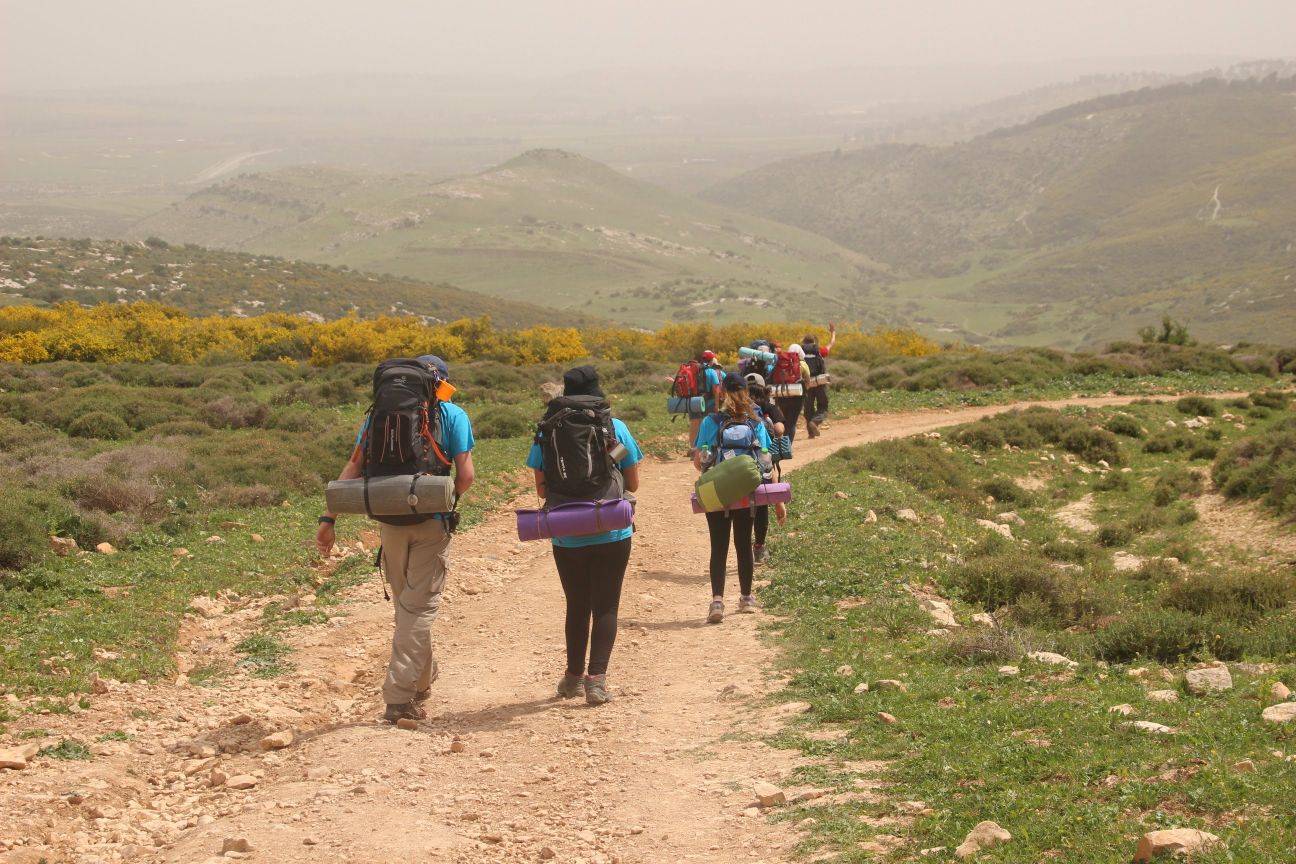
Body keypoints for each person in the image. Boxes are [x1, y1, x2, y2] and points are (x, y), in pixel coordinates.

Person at [316, 355, 475, 724]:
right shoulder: (453, 415)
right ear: (441, 384)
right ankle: (399, 698)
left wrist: (329, 518)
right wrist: (447, 501)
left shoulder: (378, 414)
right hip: (431, 522)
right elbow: (465, 475)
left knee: (407, 606)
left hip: (388, 520)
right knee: (417, 610)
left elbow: (354, 467)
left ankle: (421, 679)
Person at [527, 365, 642, 706]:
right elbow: (632, 483)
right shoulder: (613, 427)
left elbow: (541, 486)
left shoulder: (548, 430)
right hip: (611, 528)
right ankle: (597, 681)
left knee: (577, 605)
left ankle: (573, 677)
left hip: (566, 531)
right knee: (606, 605)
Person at [694, 372, 773, 624]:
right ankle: (746, 598)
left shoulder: (711, 421)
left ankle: (717, 600)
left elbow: (700, 462)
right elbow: (765, 460)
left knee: (718, 547)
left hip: (717, 491)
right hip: (745, 493)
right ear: (746, 392)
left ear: (722, 392)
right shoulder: (755, 422)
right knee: (742, 543)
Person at [745, 373, 787, 565]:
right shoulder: (768, 408)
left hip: (736, 469)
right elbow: (779, 430)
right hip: (762, 469)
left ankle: (742, 547)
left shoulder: (734, 409)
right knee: (761, 506)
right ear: (764, 389)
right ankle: (759, 547)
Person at [686, 349, 724, 457]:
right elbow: (716, 390)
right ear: (712, 359)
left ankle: (693, 450)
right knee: (705, 425)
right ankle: (704, 451)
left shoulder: (694, 370)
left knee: (694, 424)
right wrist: (717, 405)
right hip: (708, 403)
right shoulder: (711, 371)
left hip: (693, 402)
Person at [803, 323, 837, 438]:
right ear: (815, 341)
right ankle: (815, 422)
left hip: (806, 384)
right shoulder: (820, 351)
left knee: (808, 408)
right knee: (823, 406)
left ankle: (810, 433)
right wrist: (832, 332)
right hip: (820, 382)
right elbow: (831, 344)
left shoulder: (800, 353)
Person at [773, 343, 812, 444]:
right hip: (797, 397)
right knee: (792, 422)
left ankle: (781, 444)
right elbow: (808, 382)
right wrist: (805, 392)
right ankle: (787, 446)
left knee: (785, 419)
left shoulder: (779, 363)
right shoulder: (802, 364)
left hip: (782, 395)